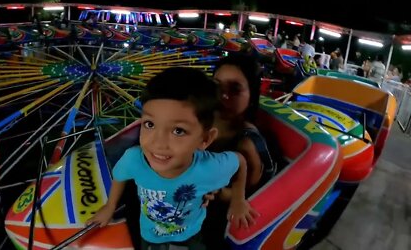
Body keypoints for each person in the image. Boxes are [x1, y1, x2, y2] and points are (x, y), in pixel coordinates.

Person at [86, 67, 258, 250]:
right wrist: (110, 206)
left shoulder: (210, 167)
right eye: (150, 124)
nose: (158, 143)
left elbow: (240, 161)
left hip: (192, 235)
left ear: (206, 139)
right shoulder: (134, 159)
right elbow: (120, 176)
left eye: (178, 131)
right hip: (149, 235)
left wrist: (238, 200)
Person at [202, 53, 276, 250]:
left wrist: (210, 191)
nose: (224, 95)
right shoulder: (205, 121)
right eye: (217, 85)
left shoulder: (247, 145)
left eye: (235, 89)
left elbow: (248, 197)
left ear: (251, 96)